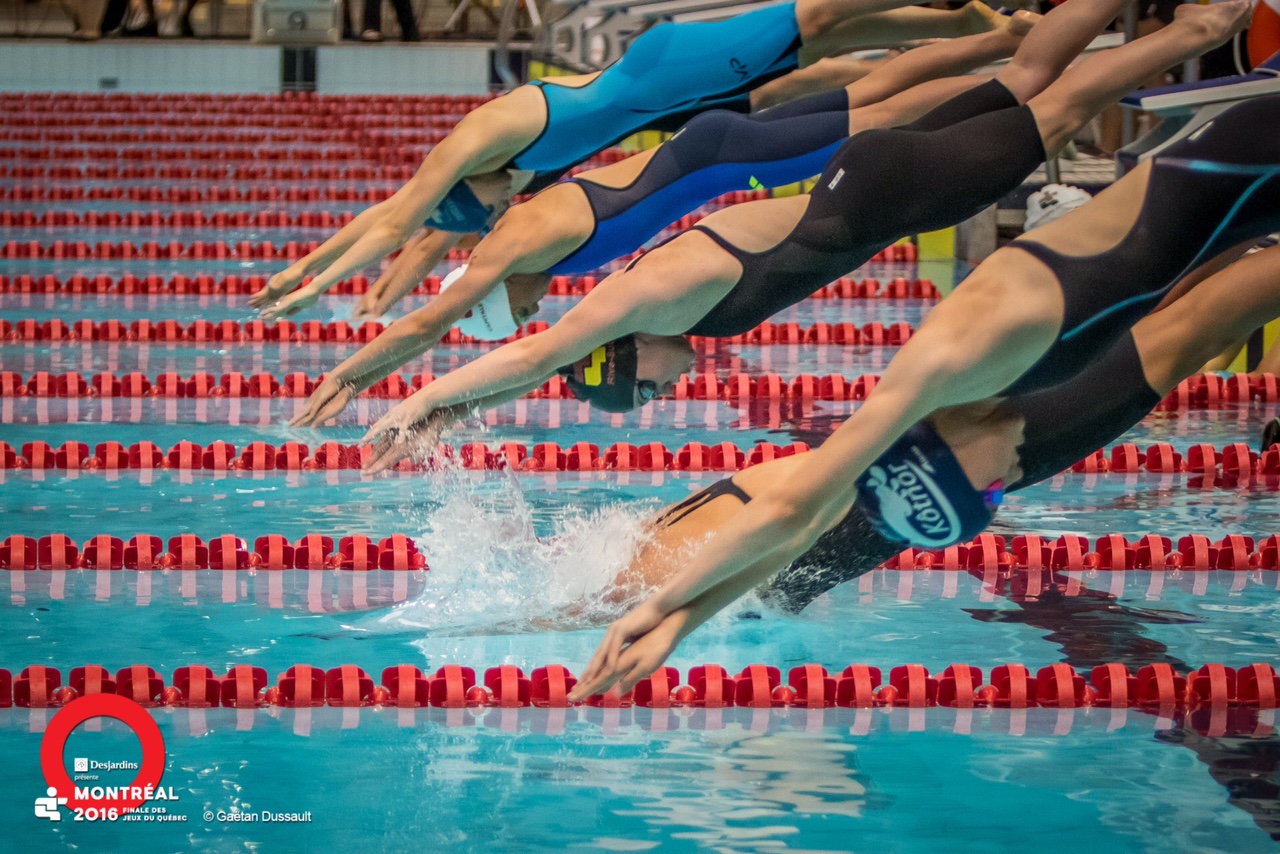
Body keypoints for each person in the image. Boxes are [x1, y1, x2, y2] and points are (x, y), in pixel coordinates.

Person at [568, 2, 1278, 701]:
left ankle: (1199, 34)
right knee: (1193, 300)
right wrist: (670, 621)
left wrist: (653, 614)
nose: (998, 498)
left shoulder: (933, 388)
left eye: (986, 491)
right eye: (993, 496)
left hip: (1049, 238)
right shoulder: (872, 476)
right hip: (1049, 274)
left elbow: (784, 515)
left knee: (1180, 282)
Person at [356, 0, 1243, 466]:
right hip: (868, 178)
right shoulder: (660, 291)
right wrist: (453, 410)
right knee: (1033, 76)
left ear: (627, 357)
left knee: (1063, 102)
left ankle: (1207, 25)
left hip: (897, 191)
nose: (667, 393)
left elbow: (539, 354)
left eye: (648, 391)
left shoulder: (657, 297)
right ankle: (1184, 21)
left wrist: (418, 399)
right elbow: (545, 354)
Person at [562, 238, 1280, 697]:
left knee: (1186, 332)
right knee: (1172, 325)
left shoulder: (678, 563)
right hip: (950, 441)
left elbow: (786, 523)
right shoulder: (667, 538)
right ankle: (1239, 234)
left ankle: (1246, 234)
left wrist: (617, 622)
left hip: (968, 453)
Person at [247, 0, 1010, 318]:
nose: (492, 216)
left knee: (830, 16)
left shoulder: (476, 142)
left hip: (676, 68)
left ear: (464, 187)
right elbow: (416, 241)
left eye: (478, 213)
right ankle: (973, 27)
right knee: (835, 49)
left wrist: (296, 278)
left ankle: (976, 25)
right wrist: (373, 304)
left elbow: (393, 224)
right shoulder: (514, 175)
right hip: (679, 97)